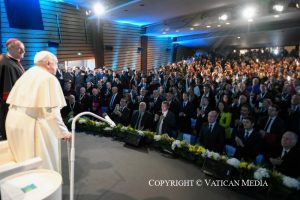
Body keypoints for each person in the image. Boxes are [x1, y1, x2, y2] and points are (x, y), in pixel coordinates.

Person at [5, 51, 71, 173]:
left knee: (20, 158)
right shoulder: (48, 78)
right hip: (29, 124)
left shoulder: (28, 73)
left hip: (12, 120)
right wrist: (63, 132)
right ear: (48, 63)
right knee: (37, 163)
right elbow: (51, 112)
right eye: (56, 64)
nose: (57, 67)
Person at [0, 38, 25, 140]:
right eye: (21, 49)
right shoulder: (5, 63)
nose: (23, 51)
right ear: (13, 49)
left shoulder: (13, 61)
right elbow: (6, 90)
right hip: (10, 107)